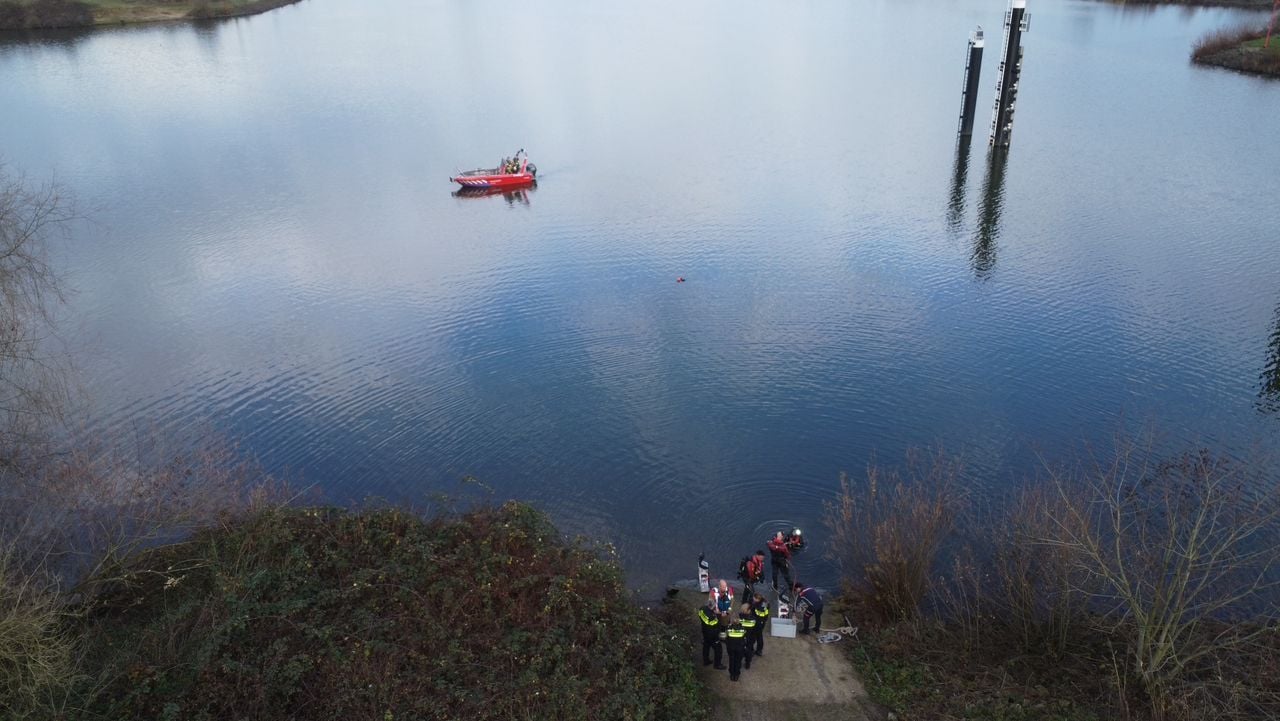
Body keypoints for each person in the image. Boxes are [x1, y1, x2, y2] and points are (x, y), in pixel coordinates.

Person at [699, 594, 725, 669]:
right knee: (718, 649)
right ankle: (717, 664)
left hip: (705, 631)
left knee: (706, 646)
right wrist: (718, 615)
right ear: (712, 607)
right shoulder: (712, 617)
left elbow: (701, 616)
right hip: (712, 635)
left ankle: (706, 660)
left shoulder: (701, 609)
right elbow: (717, 624)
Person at [724, 614, 748, 682]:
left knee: (731, 660)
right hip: (740, 648)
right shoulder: (742, 629)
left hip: (731, 648)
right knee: (738, 661)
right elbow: (745, 637)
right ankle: (736, 675)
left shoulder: (729, 629)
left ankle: (732, 674)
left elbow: (726, 637)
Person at [737, 604, 757, 671]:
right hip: (750, 638)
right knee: (748, 652)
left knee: (740, 651)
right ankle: (747, 664)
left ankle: (739, 664)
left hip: (741, 638)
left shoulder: (740, 617)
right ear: (748, 611)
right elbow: (754, 630)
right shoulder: (753, 619)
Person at [750, 592, 769, 657]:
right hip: (762, 622)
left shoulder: (759, 605)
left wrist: (753, 608)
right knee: (759, 636)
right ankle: (759, 650)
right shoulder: (765, 602)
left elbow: (759, 613)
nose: (753, 599)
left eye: (754, 598)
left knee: (753, 636)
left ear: (757, 599)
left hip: (758, 622)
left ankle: (751, 650)